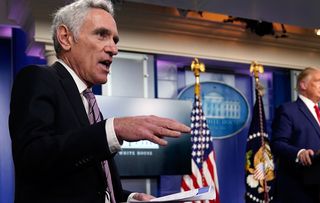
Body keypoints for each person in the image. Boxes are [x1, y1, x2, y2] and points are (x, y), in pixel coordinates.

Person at [8, 0, 190, 202]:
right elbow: (33, 158)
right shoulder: (37, 78)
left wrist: (128, 198)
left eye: (115, 40)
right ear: (66, 38)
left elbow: (87, 185)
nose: (114, 49)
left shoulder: (88, 101)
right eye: (102, 35)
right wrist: (114, 128)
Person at [271, 67, 320, 203]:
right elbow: (277, 143)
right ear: (303, 85)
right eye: (318, 81)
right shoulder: (288, 110)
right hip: (299, 188)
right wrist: (299, 153)